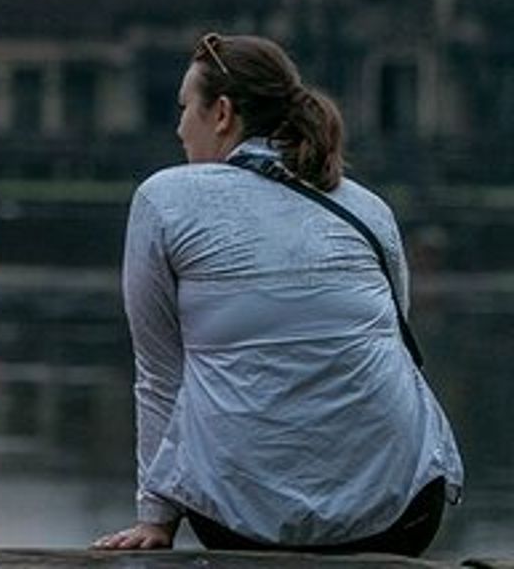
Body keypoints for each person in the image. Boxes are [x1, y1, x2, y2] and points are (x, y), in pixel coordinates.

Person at [95, 33, 463, 555]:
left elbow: (161, 376)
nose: (179, 128)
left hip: (243, 522)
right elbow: (394, 342)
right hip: (406, 509)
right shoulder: (368, 207)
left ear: (222, 114)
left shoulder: (165, 199)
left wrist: (156, 519)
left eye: (185, 108)